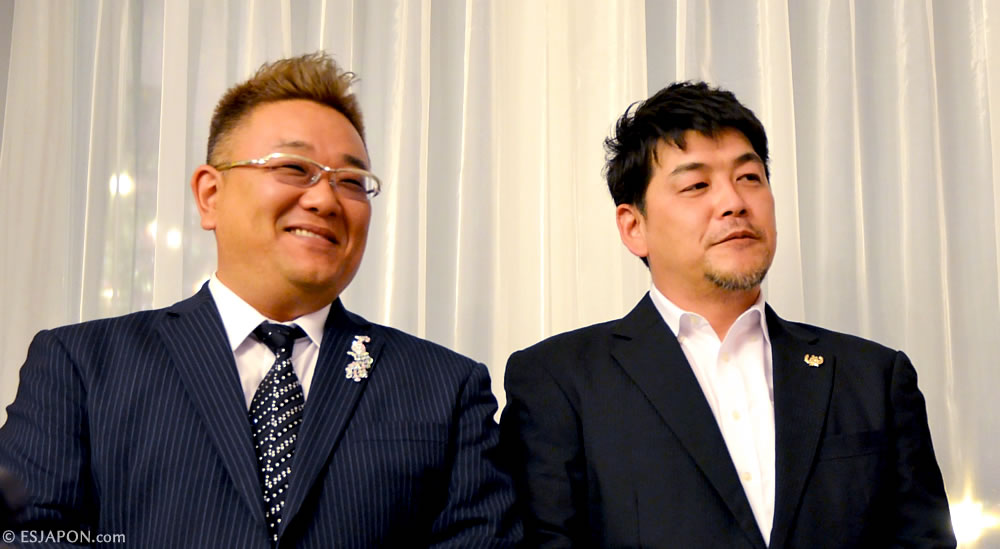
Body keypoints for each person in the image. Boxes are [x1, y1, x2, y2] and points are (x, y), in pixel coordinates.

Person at [0, 52, 520, 548]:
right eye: (293, 168)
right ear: (210, 195)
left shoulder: (445, 388)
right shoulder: (82, 366)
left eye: (351, 181)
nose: (324, 199)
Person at [500, 81, 955, 548]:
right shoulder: (559, 383)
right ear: (634, 227)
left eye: (749, 178)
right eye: (697, 185)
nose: (734, 202)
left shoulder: (873, 377)